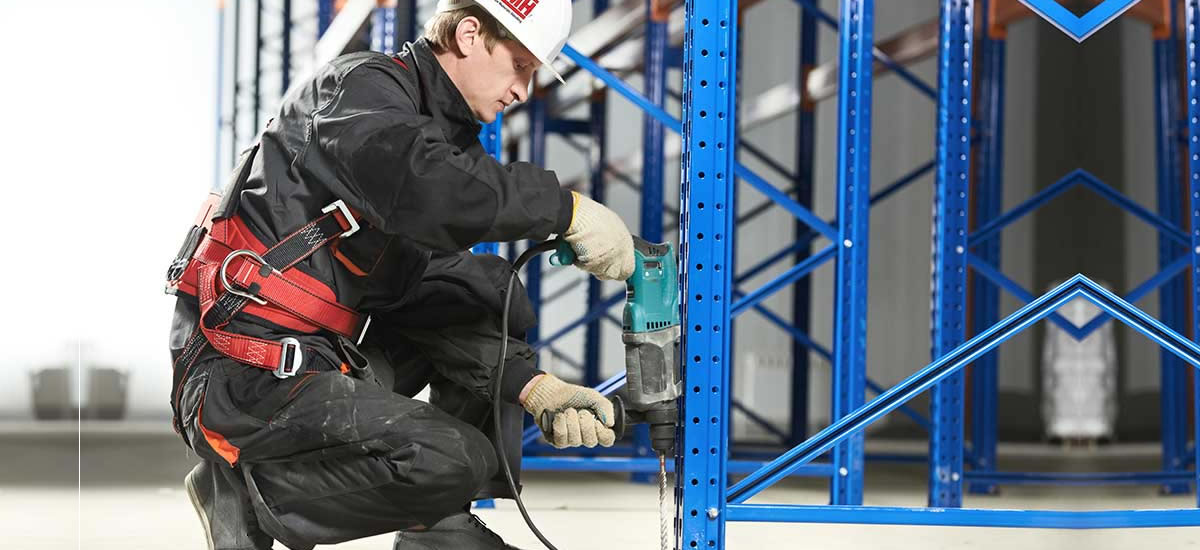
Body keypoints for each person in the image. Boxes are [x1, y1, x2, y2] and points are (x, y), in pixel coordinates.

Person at [164, 0, 635, 547]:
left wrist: (535, 388)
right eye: (521, 65)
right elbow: (429, 187)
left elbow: (440, 287)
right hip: (242, 370)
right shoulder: (360, 94)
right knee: (447, 456)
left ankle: (438, 531)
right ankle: (245, 499)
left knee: (484, 291)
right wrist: (564, 209)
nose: (522, 91)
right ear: (468, 35)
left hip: (318, 355)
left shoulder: (429, 134)